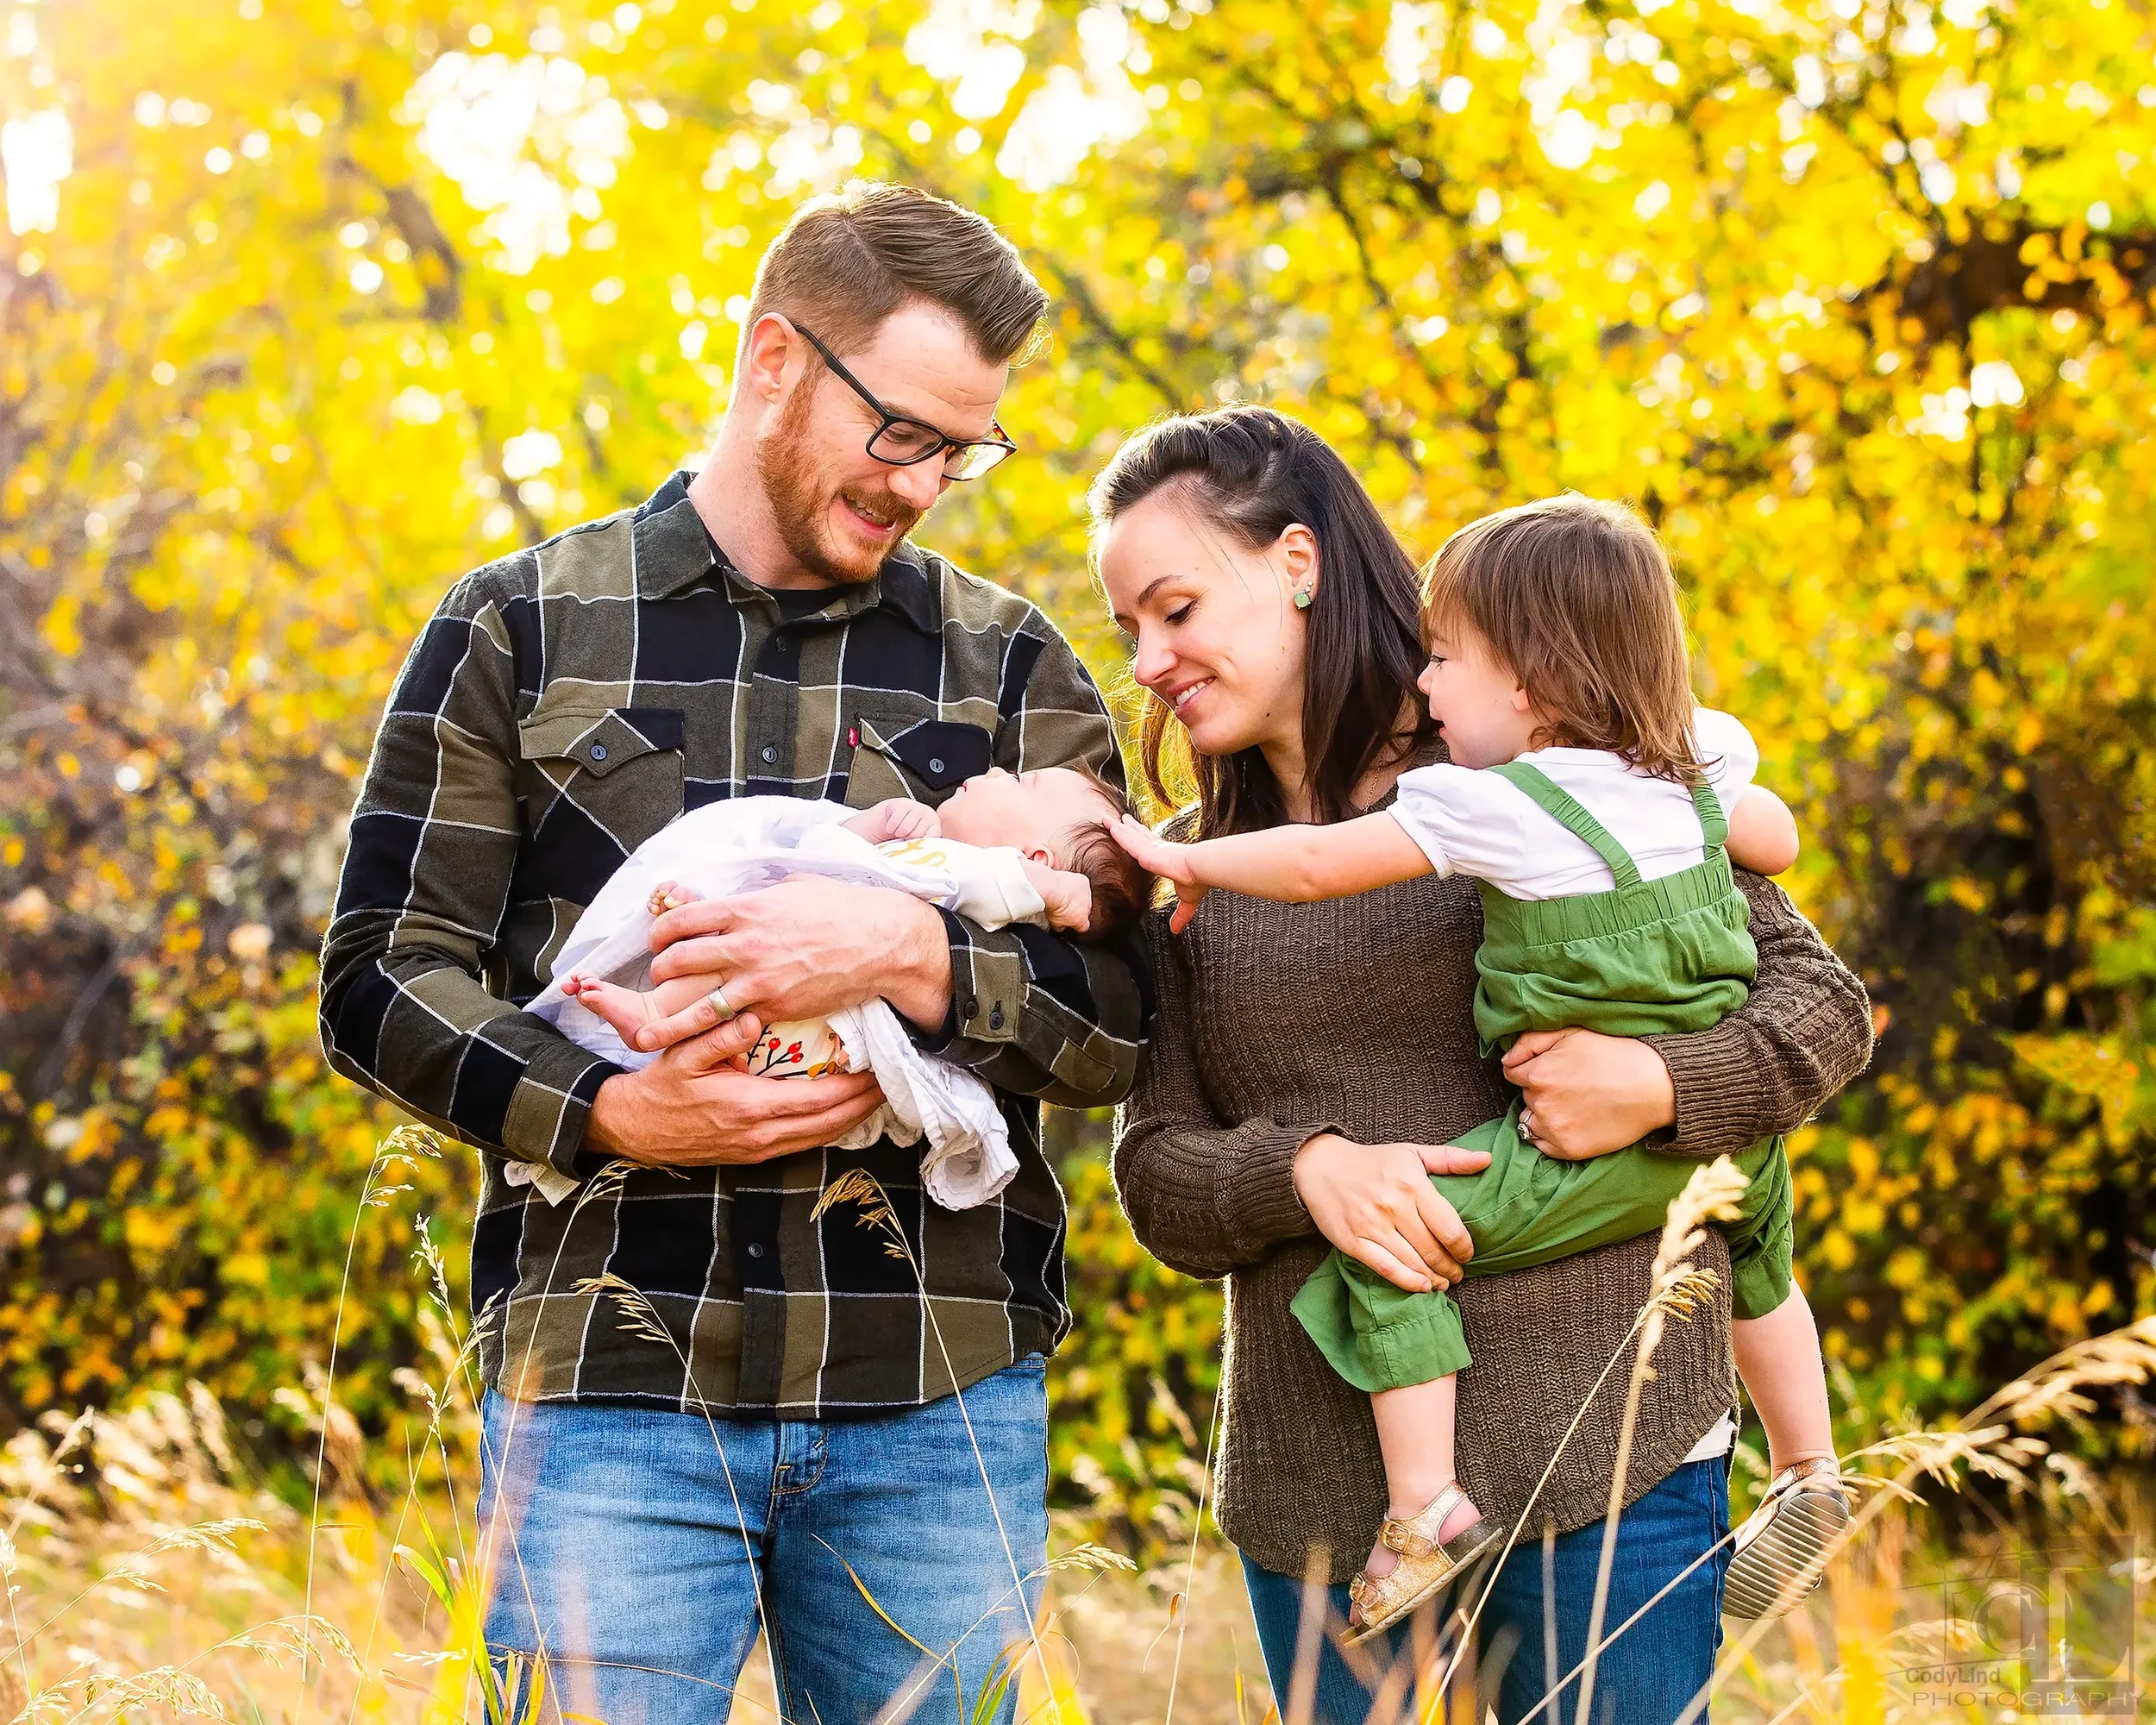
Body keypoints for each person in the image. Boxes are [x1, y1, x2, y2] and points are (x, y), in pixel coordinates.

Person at [319, 182, 1147, 1725]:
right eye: (906, 433)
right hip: (607, 1405)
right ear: (776, 357)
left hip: (936, 1394)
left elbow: (1132, 1017)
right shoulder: (523, 626)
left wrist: (914, 961)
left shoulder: (1013, 661)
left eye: (968, 449)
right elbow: (380, 974)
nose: (933, 482)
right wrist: (609, 1111)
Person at [1096, 406, 1873, 1725]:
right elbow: (1158, 1174)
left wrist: (1659, 1086)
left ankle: (1808, 1470)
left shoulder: (1536, 774)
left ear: (1296, 560)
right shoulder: (1188, 871)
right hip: (1323, 1502)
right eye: (1128, 632)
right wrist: (1307, 1170)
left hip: (1606, 1453)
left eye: (1174, 608)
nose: (1150, 659)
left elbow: (1818, 1008)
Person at [522, 770, 1146, 1209]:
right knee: (742, 945)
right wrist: (871, 829)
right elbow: (819, 859)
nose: (993, 770)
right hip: (797, 1046)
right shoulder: (931, 854)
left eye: (1019, 782)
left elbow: (1116, 1033)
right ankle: (661, 994)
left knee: (740, 968)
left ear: (1033, 856)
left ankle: (656, 1009)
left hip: (824, 1042)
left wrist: (1059, 893)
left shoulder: (988, 873)